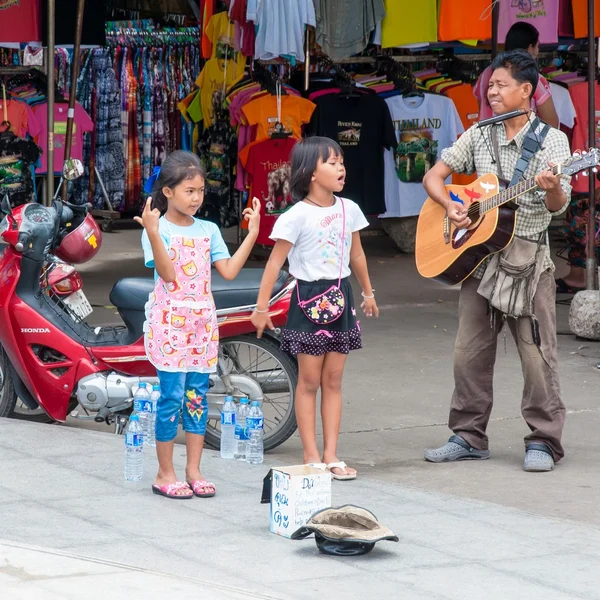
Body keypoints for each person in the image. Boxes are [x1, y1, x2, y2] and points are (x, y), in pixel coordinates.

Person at [422, 50, 572, 472]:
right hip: (479, 256)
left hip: (528, 257)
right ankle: (468, 436)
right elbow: (434, 177)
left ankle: (544, 440)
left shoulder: (553, 142)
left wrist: (553, 186)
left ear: (527, 91)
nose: (492, 91)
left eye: (501, 84)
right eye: (490, 85)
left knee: (536, 354)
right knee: (468, 352)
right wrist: (450, 205)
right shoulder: (479, 133)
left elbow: (558, 204)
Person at [251, 137, 378, 481]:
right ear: (310, 173)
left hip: (341, 296)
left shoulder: (348, 209)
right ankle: (311, 455)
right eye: (332, 162)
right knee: (308, 382)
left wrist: (367, 292)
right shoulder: (296, 216)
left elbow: (357, 255)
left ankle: (332, 455)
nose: (341, 168)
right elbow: (275, 262)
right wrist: (261, 307)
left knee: (333, 380)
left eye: (341, 162)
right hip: (307, 299)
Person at [135, 150, 260, 499]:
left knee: (196, 397)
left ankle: (193, 469)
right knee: (172, 397)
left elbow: (230, 272)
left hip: (201, 326)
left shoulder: (210, 230)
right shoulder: (155, 228)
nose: (196, 198)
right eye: (189, 190)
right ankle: (165, 472)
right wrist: (154, 232)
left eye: (201, 190)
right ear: (168, 192)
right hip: (169, 325)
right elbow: (168, 274)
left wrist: (252, 234)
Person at [474, 22, 559, 129]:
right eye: (537, 46)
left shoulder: (486, 74)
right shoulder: (533, 79)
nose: (538, 51)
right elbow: (551, 124)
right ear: (530, 48)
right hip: (519, 142)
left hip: (486, 141)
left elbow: (481, 106)